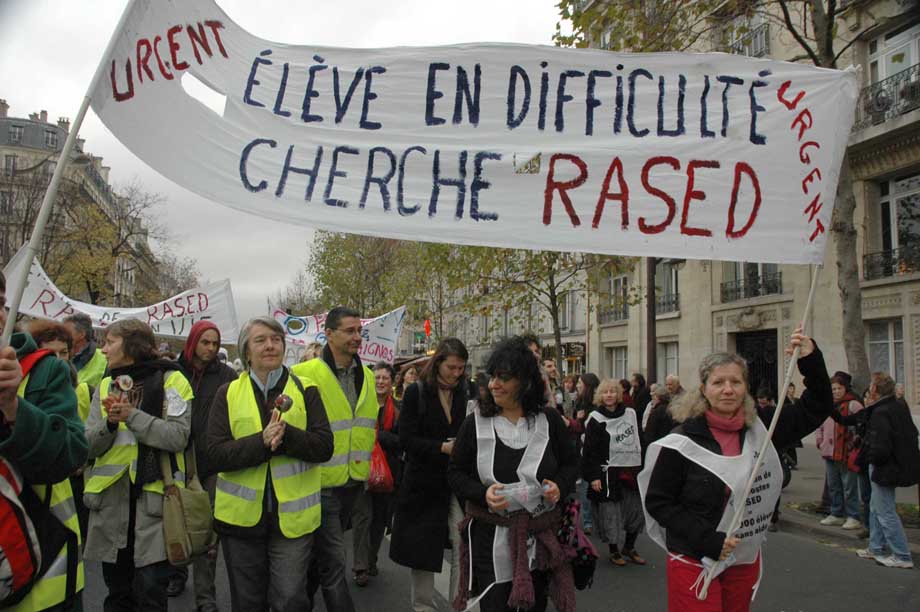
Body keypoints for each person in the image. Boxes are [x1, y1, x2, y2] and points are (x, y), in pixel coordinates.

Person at [640, 327, 833, 612]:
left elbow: (817, 407)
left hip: (740, 556)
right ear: (704, 388)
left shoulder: (763, 427)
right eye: (718, 382)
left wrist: (811, 360)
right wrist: (706, 539)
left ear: (746, 388)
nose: (728, 389)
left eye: (736, 381)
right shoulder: (682, 439)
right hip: (694, 558)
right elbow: (659, 501)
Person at [207, 316, 333, 611]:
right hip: (240, 521)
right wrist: (260, 443)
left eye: (276, 340)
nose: (270, 346)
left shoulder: (307, 389)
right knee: (248, 602)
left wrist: (287, 436)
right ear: (246, 351)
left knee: (290, 599)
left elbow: (324, 446)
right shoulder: (227, 393)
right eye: (260, 340)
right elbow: (214, 453)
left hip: (293, 521)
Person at [448, 336, 578, 612]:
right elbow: (455, 473)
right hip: (489, 538)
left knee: (534, 605)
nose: (494, 384)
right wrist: (482, 494)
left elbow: (570, 463)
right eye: (493, 377)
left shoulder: (549, 421)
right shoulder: (475, 424)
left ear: (525, 382)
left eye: (503, 378)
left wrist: (560, 486)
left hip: (538, 538)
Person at [83, 319, 195, 611]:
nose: (103, 349)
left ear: (132, 345)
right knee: (117, 593)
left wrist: (132, 415)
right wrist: (109, 423)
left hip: (155, 505)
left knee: (150, 593)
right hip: (111, 503)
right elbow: (89, 445)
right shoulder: (107, 383)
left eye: (109, 342)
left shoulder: (173, 379)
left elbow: (177, 436)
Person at [1, 271, 88, 611]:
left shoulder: (43, 371)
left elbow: (72, 451)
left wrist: (12, 408)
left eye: (0, 303)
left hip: (41, 568)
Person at [292, 307, 379, 612]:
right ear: (328, 334)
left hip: (353, 484)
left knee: (319, 563)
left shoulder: (367, 376)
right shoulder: (304, 374)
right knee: (333, 562)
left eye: (360, 331)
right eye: (350, 331)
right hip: (320, 483)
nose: (357, 337)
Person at [389, 338, 469, 612]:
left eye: (461, 368)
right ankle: (423, 607)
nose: (457, 373)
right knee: (423, 550)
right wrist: (441, 447)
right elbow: (405, 439)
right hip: (423, 482)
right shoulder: (416, 392)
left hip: (455, 481)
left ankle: (459, 604)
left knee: (462, 544)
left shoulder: (464, 392)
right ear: (438, 364)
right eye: (452, 367)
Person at [172, 320, 238, 608]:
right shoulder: (172, 374)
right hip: (176, 461)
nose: (210, 348)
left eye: (215, 343)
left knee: (207, 532)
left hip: (211, 465)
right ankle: (175, 574)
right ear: (193, 342)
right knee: (174, 521)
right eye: (205, 342)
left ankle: (205, 597)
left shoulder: (227, 376)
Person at [853, 372, 919, 569]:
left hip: (885, 466)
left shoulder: (881, 412)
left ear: (875, 390)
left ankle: (902, 554)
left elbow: (880, 446)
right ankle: (876, 547)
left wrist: (871, 458)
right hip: (895, 463)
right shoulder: (897, 405)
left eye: (871, 386)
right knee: (875, 506)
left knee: (884, 510)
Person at [583, 378, 646, 567]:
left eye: (612, 391)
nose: (609, 395)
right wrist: (593, 476)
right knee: (611, 513)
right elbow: (589, 450)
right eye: (605, 392)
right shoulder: (595, 418)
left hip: (630, 470)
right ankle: (614, 550)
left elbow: (640, 440)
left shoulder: (630, 414)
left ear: (618, 394)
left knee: (635, 511)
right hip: (607, 473)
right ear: (600, 396)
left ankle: (629, 546)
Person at [352, 361, 402, 586]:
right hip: (362, 470)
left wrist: (378, 436)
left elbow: (403, 442)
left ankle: (371, 559)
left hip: (387, 475)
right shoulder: (360, 404)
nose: (380, 382)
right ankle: (360, 566)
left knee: (379, 521)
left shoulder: (399, 409)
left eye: (385, 378)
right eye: (377, 378)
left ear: (392, 382)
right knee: (363, 517)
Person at [816, 373, 863, 530]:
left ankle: (853, 516)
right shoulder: (827, 405)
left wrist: (855, 443)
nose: (835, 391)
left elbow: (862, 425)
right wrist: (820, 440)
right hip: (829, 451)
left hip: (847, 452)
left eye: (839, 388)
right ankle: (836, 513)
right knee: (833, 484)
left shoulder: (853, 405)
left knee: (849, 486)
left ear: (845, 388)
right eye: (833, 389)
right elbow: (820, 424)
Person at [569, 372, 600, 535]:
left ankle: (594, 519)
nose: (577, 385)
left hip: (593, 451)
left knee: (591, 486)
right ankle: (588, 521)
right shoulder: (579, 402)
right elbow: (576, 428)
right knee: (584, 487)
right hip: (580, 450)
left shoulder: (596, 406)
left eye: (580, 383)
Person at [63, 313, 107, 387]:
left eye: (66, 332)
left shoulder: (105, 359)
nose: (62, 335)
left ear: (81, 334)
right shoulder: (58, 355)